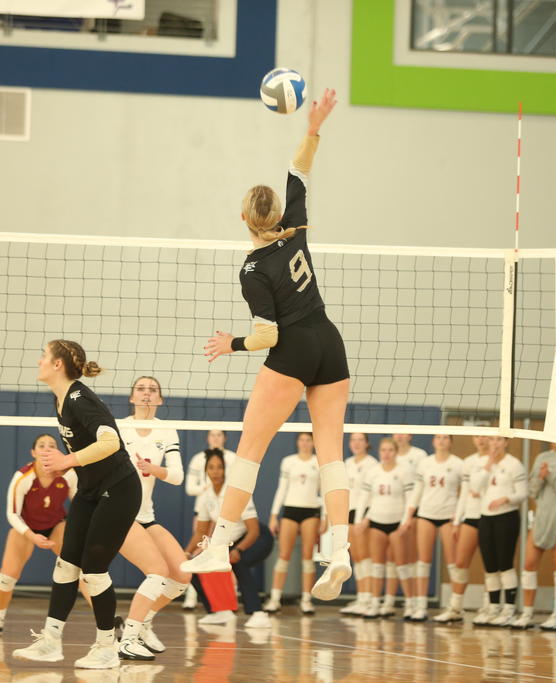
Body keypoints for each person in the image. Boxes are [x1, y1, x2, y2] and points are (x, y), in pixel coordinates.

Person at [181, 89, 353, 604]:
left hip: (295, 347)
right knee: (332, 455)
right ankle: (340, 550)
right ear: (276, 213)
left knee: (250, 448)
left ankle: (218, 543)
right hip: (331, 342)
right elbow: (299, 168)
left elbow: (267, 336)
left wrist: (229, 344)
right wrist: (315, 124)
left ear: (244, 220)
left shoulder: (253, 270)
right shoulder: (295, 227)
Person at [12, 340, 141, 670]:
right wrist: (71, 464)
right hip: (90, 489)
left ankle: (107, 648)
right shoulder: (60, 399)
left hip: (119, 488)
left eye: (44, 356)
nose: (39, 360)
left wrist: (66, 460)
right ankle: (51, 642)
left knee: (94, 569)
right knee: (66, 563)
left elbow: (111, 441)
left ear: (57, 365)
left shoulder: (79, 398)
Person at [115, 375, 192, 660]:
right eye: (141, 389)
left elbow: (177, 476)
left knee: (182, 576)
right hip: (121, 515)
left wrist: (153, 470)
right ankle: (128, 639)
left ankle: (143, 622)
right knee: (157, 572)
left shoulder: (167, 431)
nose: (147, 393)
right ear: (132, 398)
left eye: (153, 390)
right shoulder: (119, 428)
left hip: (146, 516)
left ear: (159, 399)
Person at [0, 433, 78, 635]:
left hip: (57, 525)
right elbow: (12, 513)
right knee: (8, 575)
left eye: (52, 445)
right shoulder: (23, 477)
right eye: (42, 446)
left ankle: (107, 624)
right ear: (33, 452)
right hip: (26, 527)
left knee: (79, 568)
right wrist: (32, 536)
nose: (47, 449)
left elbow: (79, 504)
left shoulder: (68, 474)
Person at [186, 451, 273, 628]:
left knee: (239, 562)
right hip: (228, 543)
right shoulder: (206, 496)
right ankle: (218, 612)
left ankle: (258, 613)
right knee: (193, 566)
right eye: (211, 467)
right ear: (205, 471)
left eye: (219, 467)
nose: (215, 471)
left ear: (225, 470)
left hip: (257, 538)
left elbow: (254, 530)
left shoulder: (236, 493)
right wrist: (186, 553)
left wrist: (239, 550)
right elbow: (200, 532)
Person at [512, 442, 556, 630]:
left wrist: (551, 476)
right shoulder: (541, 458)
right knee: (529, 563)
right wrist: (540, 479)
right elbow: (532, 491)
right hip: (542, 515)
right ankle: (526, 613)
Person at [402, 434, 463, 621]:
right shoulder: (425, 463)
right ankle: (421, 606)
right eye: (438, 438)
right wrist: (408, 516)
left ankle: (455, 607)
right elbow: (417, 491)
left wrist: (458, 516)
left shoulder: (459, 464)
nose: (442, 441)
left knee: (453, 563)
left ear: (451, 442)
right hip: (426, 514)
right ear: (433, 442)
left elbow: (464, 492)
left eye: (445, 438)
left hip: (448, 515)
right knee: (423, 561)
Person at [353, 437, 414, 619]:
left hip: (397, 524)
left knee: (401, 565)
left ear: (396, 452)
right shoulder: (373, 472)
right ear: (379, 452)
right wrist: (359, 520)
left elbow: (410, 499)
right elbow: (364, 498)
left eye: (390, 450)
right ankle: (374, 603)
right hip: (377, 521)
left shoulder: (404, 471)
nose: (386, 454)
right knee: (376, 566)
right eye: (383, 450)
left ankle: (410, 605)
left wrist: (405, 521)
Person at [264, 432, 321, 615]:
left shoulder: (318, 462)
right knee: (284, 555)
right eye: (302, 439)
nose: (305, 443)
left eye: (308, 439)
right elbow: (282, 488)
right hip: (290, 510)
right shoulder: (289, 461)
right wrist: (274, 515)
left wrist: (326, 518)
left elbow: (326, 491)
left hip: (311, 511)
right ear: (297, 442)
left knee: (307, 557)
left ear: (313, 442)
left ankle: (306, 600)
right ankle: (274, 599)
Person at [472, 435, 527, 627]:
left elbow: (522, 493)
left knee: (505, 564)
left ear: (506, 442)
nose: (495, 443)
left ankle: (509, 609)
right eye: (492, 440)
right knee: (490, 566)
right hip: (486, 517)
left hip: (507, 517)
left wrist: (506, 499)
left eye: (499, 440)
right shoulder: (481, 463)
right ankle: (493, 607)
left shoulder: (514, 464)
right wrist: (488, 464)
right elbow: (475, 488)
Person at [435, 435, 490, 623]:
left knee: (489, 566)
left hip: (491, 517)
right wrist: (457, 521)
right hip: (471, 517)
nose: (481, 440)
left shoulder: (499, 461)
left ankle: (488, 606)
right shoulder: (469, 462)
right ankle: (456, 608)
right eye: (477, 437)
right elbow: (465, 492)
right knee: (459, 563)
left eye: (486, 437)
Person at [183, 430, 236, 610]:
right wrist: (210, 487)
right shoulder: (199, 459)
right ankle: (192, 596)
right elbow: (190, 488)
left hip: (225, 511)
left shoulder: (232, 458)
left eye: (219, 435)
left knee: (224, 555)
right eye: (212, 435)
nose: (216, 438)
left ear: (225, 438)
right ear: (207, 438)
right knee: (199, 552)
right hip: (203, 510)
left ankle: (230, 597)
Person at [340, 432, 378, 616]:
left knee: (365, 557)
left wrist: (366, 517)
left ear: (367, 443)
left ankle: (369, 598)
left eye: (360, 439)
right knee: (356, 557)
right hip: (349, 512)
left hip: (363, 514)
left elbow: (375, 494)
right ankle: (362, 598)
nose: (356, 443)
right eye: (353, 440)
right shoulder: (347, 464)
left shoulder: (372, 464)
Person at [392, 433, 426, 619]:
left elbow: (420, 486)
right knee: (397, 559)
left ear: (410, 435)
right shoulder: (389, 456)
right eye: (396, 433)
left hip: (413, 511)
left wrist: (409, 515)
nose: (400, 436)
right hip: (392, 512)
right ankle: (408, 600)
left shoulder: (419, 455)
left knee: (413, 557)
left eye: (403, 432)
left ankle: (415, 603)